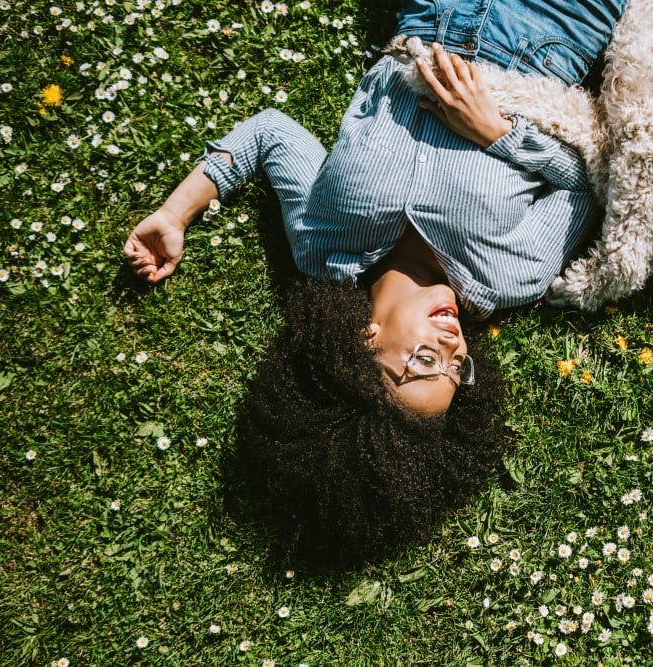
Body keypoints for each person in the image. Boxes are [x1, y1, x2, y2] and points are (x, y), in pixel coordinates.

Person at [123, 0, 627, 562]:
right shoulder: (508, 277)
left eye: (425, 363)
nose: (452, 347)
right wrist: (497, 133)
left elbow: (270, 137)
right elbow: (587, 184)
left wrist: (174, 214)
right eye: (459, 369)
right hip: (553, 29)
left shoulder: (323, 246)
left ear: (361, 349)